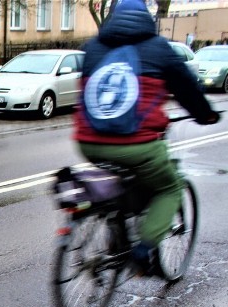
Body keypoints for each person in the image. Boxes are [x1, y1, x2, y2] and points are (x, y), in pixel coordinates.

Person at [73, 0, 219, 276]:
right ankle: (142, 250)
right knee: (170, 188)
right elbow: (187, 89)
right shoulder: (158, 48)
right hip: (137, 145)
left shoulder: (92, 47)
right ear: (146, 17)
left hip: (88, 142)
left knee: (120, 185)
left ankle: (116, 228)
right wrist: (206, 115)